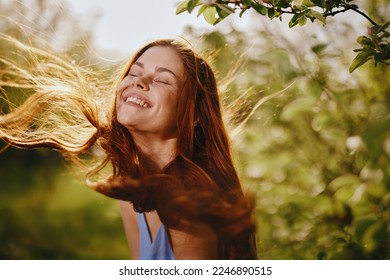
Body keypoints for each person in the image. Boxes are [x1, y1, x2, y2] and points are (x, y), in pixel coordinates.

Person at [0, 35, 257, 259]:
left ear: (194, 114)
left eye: (163, 80)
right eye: (134, 73)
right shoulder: (134, 185)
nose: (139, 81)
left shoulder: (189, 197)